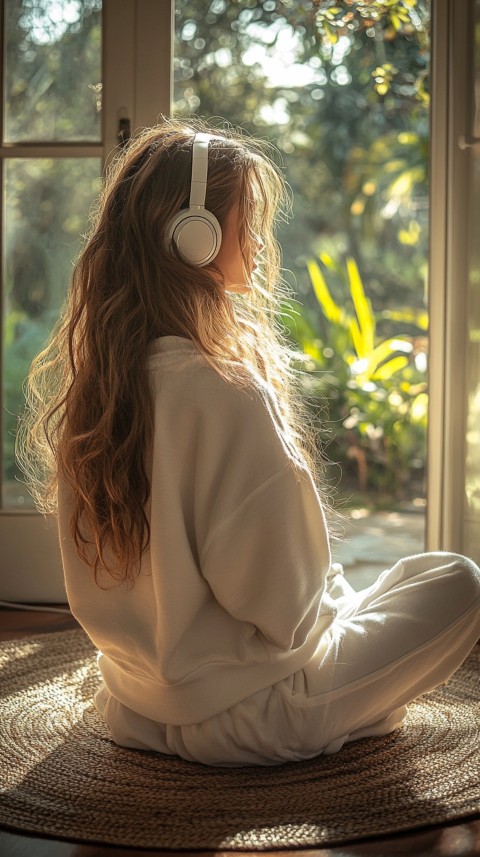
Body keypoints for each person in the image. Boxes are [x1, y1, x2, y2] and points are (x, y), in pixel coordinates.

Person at [20, 118, 480, 767]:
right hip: (256, 713)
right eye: (249, 222)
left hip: (136, 705)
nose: (261, 242)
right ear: (193, 237)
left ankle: (357, 701)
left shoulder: (99, 390)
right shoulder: (222, 389)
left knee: (380, 582)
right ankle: (352, 710)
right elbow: (287, 611)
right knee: (456, 580)